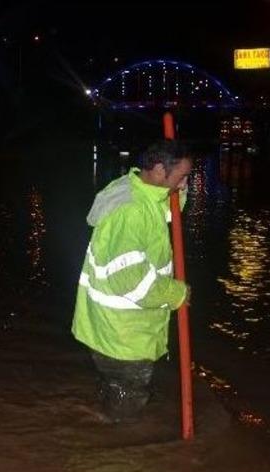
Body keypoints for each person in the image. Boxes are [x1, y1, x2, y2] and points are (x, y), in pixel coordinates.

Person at [72, 140, 192, 423]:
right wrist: (177, 293)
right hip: (123, 332)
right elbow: (130, 280)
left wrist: (179, 195)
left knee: (115, 387)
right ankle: (119, 453)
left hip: (110, 326)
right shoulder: (130, 212)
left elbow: (158, 215)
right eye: (182, 176)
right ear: (160, 170)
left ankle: (97, 417)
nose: (186, 182)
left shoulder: (137, 188)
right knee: (129, 401)